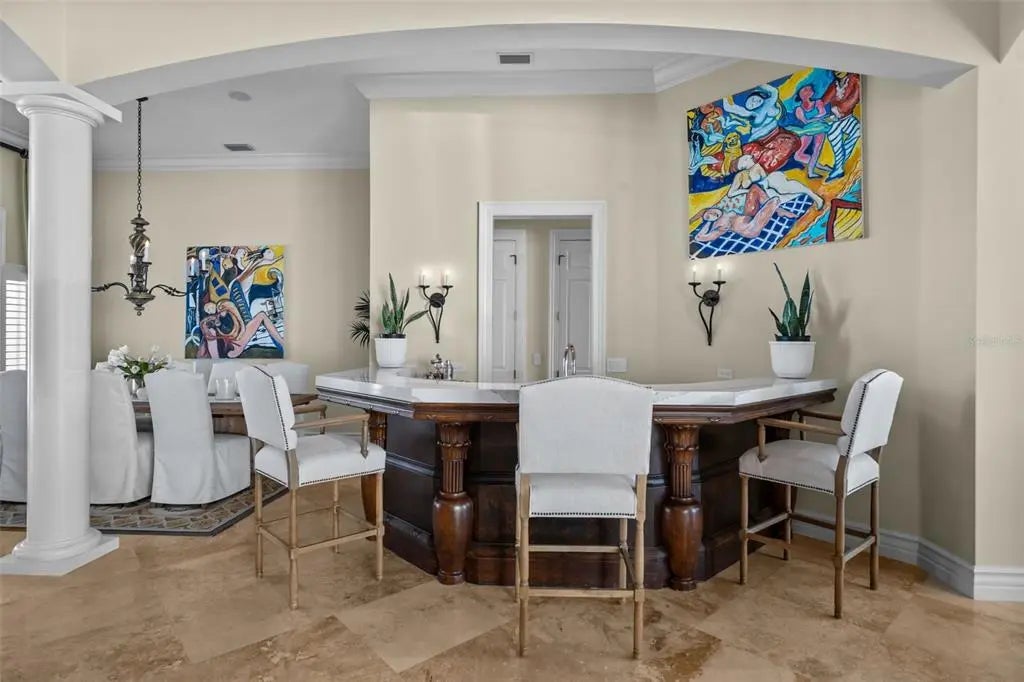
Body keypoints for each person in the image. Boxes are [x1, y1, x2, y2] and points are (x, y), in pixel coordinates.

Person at [821, 71, 862, 180]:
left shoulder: (855, 80)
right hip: (834, 118)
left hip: (846, 116)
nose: (838, 71)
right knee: (833, 134)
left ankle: (839, 166)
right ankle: (838, 168)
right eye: (835, 70)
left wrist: (840, 110)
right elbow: (823, 101)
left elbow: (854, 98)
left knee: (858, 131)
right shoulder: (835, 85)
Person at [793, 84, 829, 178]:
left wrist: (812, 119)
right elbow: (805, 121)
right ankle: (818, 165)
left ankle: (811, 172)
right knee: (798, 155)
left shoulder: (818, 102)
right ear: (799, 93)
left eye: (809, 90)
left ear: (812, 93)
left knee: (816, 150)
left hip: (820, 128)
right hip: (808, 130)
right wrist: (816, 119)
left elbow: (823, 113)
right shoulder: (799, 109)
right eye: (804, 90)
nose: (807, 92)